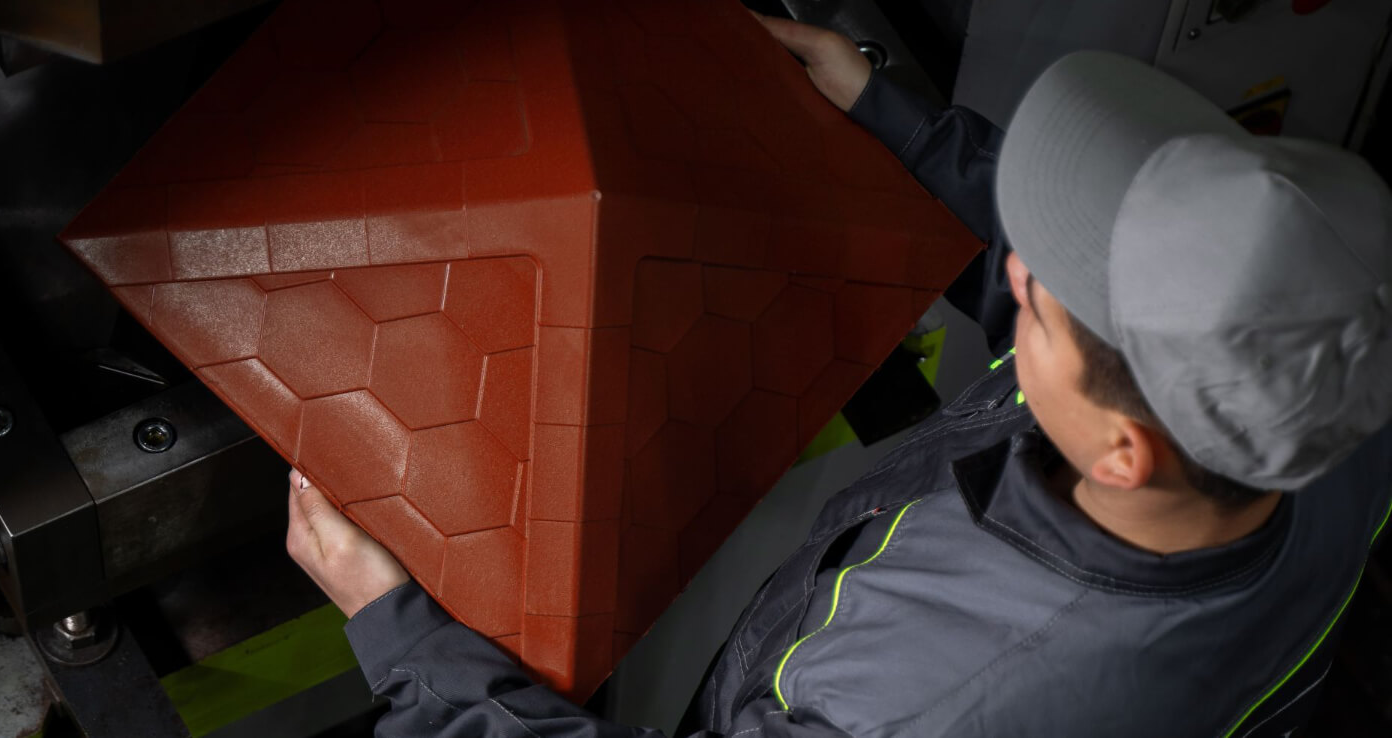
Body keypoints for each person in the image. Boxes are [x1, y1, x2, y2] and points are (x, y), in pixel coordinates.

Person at [284, 14, 1392, 737]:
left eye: (1043, 302)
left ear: (1123, 452)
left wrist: (405, 640)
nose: (1016, 269)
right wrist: (890, 118)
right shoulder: (1336, 400)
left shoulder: (921, 701)